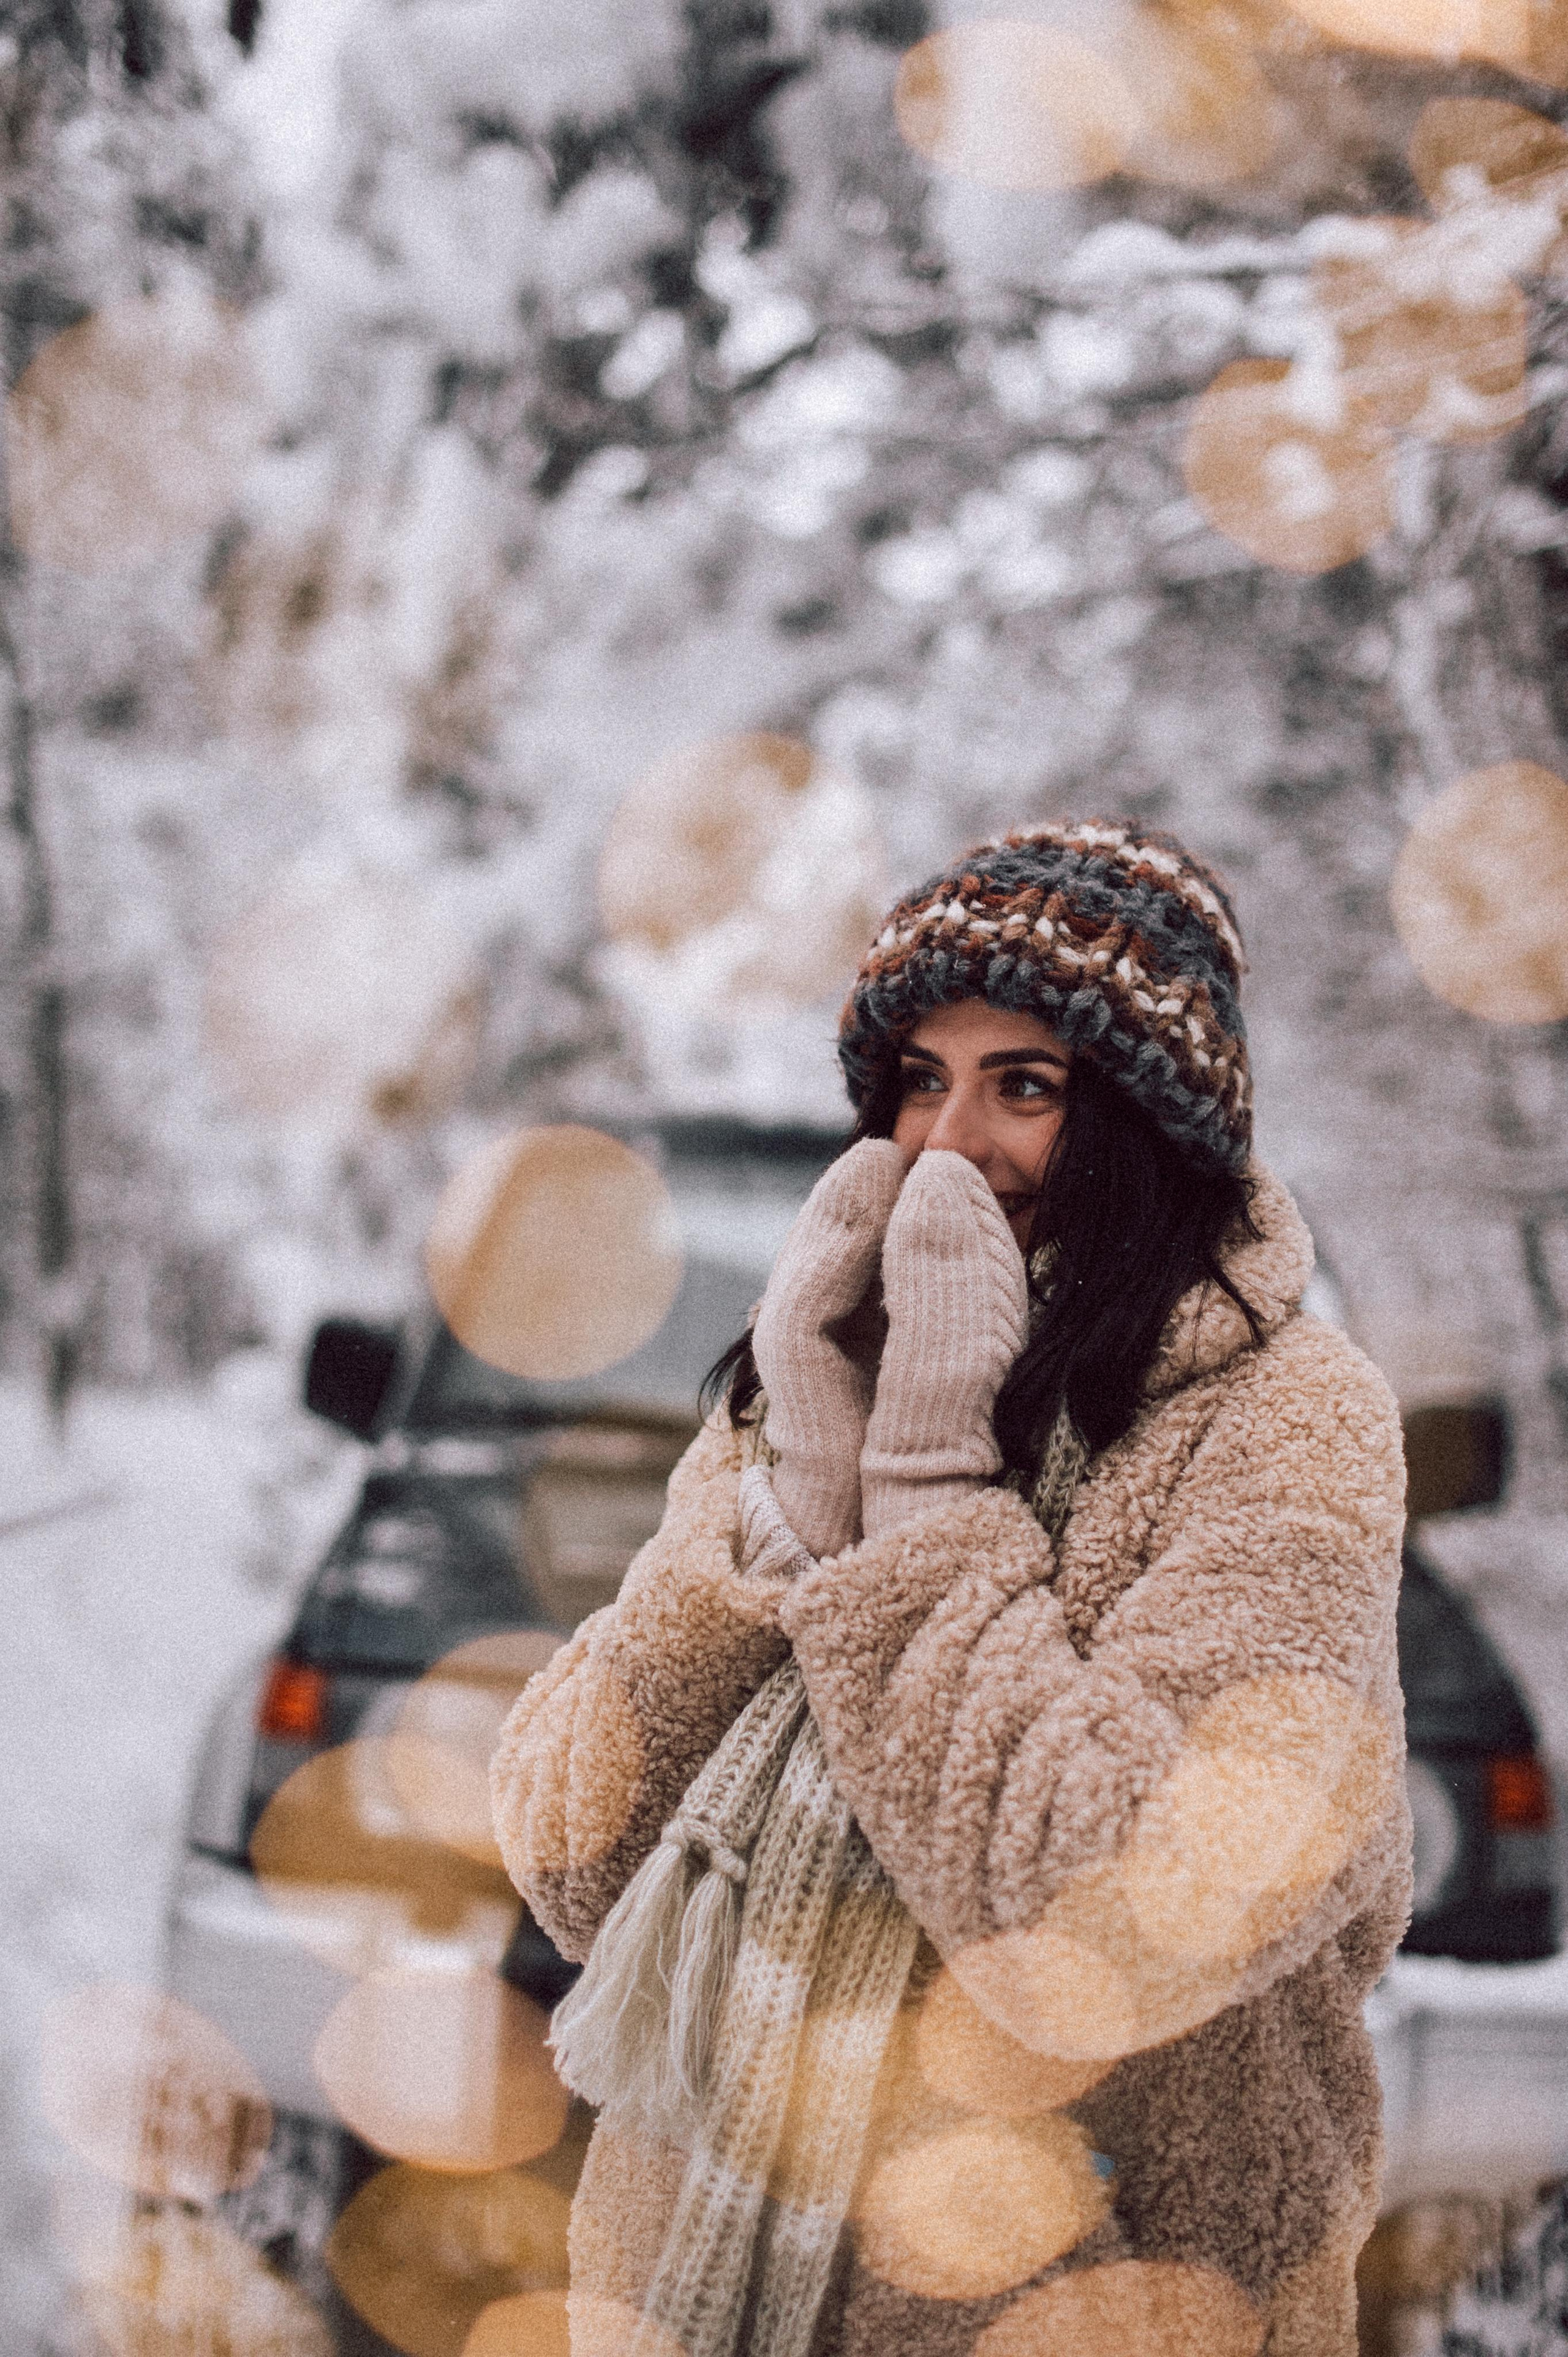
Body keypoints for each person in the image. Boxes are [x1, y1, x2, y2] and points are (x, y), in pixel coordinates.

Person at [491, 820, 1411, 2357]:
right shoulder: (815, 1391)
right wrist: (795, 1507)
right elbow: (576, 1857)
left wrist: (919, 1504)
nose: (949, 1146)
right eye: (920, 1078)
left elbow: (1113, 1921)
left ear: (1146, 1126)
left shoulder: (1286, 1422)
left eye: (1024, 1085)